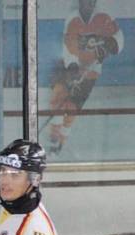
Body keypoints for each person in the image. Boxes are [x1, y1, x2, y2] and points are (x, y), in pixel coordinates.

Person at [46, 0, 123, 155]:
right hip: (67, 65)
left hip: (91, 69)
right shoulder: (73, 18)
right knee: (58, 98)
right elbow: (68, 46)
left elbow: (118, 39)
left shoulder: (104, 16)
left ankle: (62, 139)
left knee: (72, 108)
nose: (87, 4)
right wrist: (73, 69)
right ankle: (53, 135)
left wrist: (111, 44)